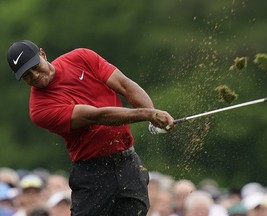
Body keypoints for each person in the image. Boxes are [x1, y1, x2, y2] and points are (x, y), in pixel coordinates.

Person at [7, 40, 175, 216]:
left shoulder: (81, 57)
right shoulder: (39, 109)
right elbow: (98, 116)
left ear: (42, 54)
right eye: (26, 75)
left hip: (128, 164)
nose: (34, 75)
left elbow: (124, 85)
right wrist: (148, 115)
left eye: (35, 66)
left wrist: (153, 115)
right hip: (93, 175)